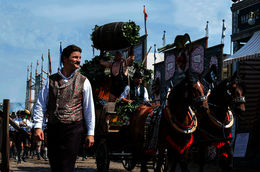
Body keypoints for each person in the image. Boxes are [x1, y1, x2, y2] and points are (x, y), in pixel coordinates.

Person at [33, 44, 95, 172]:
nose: (78, 60)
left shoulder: (84, 81)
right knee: (55, 165)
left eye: (79, 57)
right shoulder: (50, 80)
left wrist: (90, 133)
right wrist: (38, 126)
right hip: (54, 128)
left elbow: (89, 109)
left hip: (73, 129)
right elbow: (40, 104)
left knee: (67, 166)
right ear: (65, 59)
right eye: (75, 57)